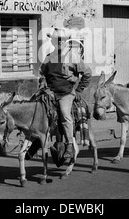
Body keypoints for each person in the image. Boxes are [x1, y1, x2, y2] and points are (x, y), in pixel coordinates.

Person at [39, 28, 92, 160]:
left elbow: (87, 73)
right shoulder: (48, 56)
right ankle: (35, 141)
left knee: (64, 114)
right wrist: (44, 84)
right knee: (36, 110)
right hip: (50, 91)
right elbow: (42, 74)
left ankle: (69, 145)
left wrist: (79, 90)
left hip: (66, 93)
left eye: (60, 40)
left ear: (65, 41)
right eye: (55, 40)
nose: (57, 43)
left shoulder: (72, 56)